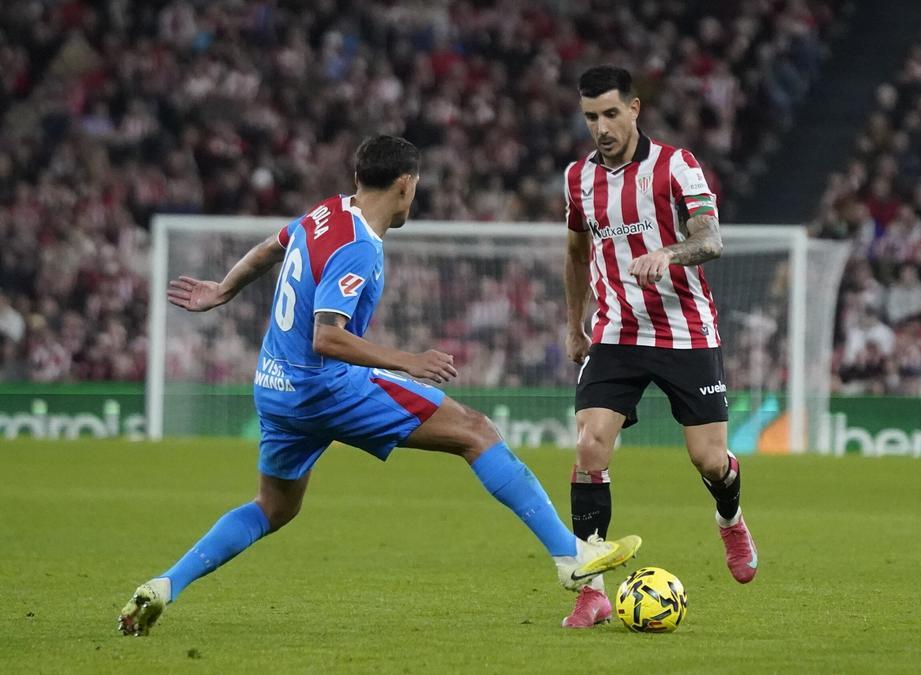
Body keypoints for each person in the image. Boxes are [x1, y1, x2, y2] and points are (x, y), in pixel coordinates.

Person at [118, 135, 641, 636]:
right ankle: (571, 558)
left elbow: (270, 247)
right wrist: (408, 361)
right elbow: (328, 338)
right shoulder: (359, 249)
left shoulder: (326, 212)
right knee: (476, 432)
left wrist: (223, 289)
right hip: (326, 386)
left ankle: (166, 583)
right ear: (406, 185)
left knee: (273, 507)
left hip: (274, 390)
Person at [559, 65, 757, 629]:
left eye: (611, 114)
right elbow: (575, 254)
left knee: (708, 459)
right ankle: (591, 589)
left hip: (685, 330)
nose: (601, 126)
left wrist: (668, 254)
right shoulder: (578, 180)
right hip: (616, 332)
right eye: (592, 116)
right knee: (589, 447)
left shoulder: (676, 166)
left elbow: (711, 238)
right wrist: (575, 326)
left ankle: (731, 519)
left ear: (635, 108)